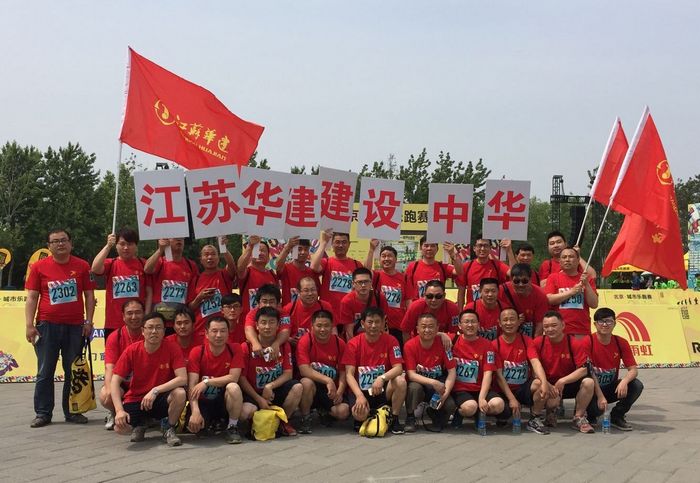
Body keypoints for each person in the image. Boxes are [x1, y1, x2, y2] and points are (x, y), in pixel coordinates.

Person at [25, 228, 96, 428]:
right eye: (55, 241)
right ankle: (43, 413)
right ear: (49, 246)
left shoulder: (82, 266)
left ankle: (73, 411)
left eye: (64, 240)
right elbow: (32, 297)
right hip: (47, 326)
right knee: (45, 371)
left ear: (71, 243)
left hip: (75, 327)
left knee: (73, 371)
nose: (60, 244)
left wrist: (89, 322)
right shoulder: (38, 267)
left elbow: (89, 295)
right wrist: (29, 325)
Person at [111, 312, 187, 446]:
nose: (154, 331)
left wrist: (155, 390)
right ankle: (140, 424)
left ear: (164, 331)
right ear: (143, 331)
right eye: (150, 327)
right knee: (120, 428)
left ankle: (168, 427)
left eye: (158, 327)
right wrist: (119, 411)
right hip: (136, 399)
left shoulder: (172, 348)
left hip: (161, 397)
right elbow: (115, 380)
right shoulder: (132, 350)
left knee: (180, 393)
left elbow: (182, 378)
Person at [342, 307, 407, 435]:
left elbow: (398, 368)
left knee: (400, 381)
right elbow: (349, 375)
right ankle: (371, 413)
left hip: (382, 390)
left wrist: (382, 378)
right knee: (359, 415)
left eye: (377, 322)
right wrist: (359, 396)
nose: (373, 326)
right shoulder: (353, 344)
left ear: (383, 323)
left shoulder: (391, 341)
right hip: (361, 391)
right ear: (362, 323)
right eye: (370, 322)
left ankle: (394, 418)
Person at [238, 307, 302, 437]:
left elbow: (288, 374)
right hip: (253, 393)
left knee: (297, 387)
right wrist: (259, 399)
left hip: (274, 391)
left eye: (272, 322)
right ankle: (257, 424)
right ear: (256, 325)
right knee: (244, 412)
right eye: (263, 322)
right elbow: (242, 378)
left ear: (278, 326)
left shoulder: (284, 346)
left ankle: (283, 422)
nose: (267, 327)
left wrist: (270, 386)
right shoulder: (246, 347)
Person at [532, 311, 596, 433]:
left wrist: (563, 381)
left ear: (563, 325)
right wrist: (547, 384)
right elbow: (534, 370)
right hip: (549, 384)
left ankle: (579, 417)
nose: (550, 329)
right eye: (546, 326)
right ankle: (550, 412)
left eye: (554, 325)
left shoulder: (574, 342)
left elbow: (584, 369)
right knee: (539, 386)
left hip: (568, 383)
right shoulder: (538, 343)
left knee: (589, 382)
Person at [490, 307, 551, 435]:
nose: (509, 323)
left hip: (522, 388)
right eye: (505, 320)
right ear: (499, 323)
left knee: (539, 384)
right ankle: (503, 416)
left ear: (519, 322)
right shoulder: (495, 345)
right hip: (503, 390)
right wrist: (512, 399)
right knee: (500, 409)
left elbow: (535, 362)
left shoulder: (526, 341)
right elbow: (499, 376)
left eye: (512, 319)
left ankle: (534, 418)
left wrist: (544, 382)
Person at [187, 316, 246, 444]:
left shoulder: (235, 349)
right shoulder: (197, 352)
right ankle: (212, 423)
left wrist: (207, 382)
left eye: (223, 331)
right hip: (203, 401)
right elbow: (192, 385)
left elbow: (234, 377)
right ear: (206, 334)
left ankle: (232, 427)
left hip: (223, 400)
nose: (219, 335)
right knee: (196, 428)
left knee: (233, 387)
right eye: (214, 331)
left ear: (228, 333)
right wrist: (195, 411)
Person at [585, 308, 644, 431]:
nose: (605, 324)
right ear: (595, 324)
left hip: (610, 388)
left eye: (609, 321)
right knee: (596, 409)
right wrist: (600, 396)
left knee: (636, 385)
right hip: (592, 389)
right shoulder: (587, 341)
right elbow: (588, 371)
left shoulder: (621, 342)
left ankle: (617, 415)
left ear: (614, 323)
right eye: (601, 321)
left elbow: (633, 369)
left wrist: (624, 381)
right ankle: (590, 416)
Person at [450, 309, 507, 430]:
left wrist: (481, 397)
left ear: (479, 325)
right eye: (466, 322)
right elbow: (432, 333)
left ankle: (479, 413)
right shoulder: (453, 340)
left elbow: (488, 373)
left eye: (473, 322)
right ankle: (459, 413)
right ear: (459, 325)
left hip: (481, 388)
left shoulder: (487, 345)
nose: (470, 325)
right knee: (470, 407)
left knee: (498, 405)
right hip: (460, 389)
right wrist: (441, 335)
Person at [91, 228, 151, 340]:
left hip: (138, 323)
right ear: (116, 245)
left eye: (130, 244)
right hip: (113, 323)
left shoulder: (144, 264)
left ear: (136, 246)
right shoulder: (111, 263)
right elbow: (95, 268)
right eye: (122, 244)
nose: (126, 248)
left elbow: (149, 292)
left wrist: (146, 316)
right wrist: (108, 246)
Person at [297, 310, 350, 433]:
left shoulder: (339, 343)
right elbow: (304, 370)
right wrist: (328, 380)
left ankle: (325, 411)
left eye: (326, 326)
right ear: (312, 326)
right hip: (312, 387)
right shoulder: (305, 341)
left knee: (343, 412)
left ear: (332, 327)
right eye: (319, 326)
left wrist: (340, 391)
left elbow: (343, 372)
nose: (323, 329)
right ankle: (305, 417)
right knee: (306, 383)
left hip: (331, 390)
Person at [403, 313, 457, 432]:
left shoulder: (444, 343)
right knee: (413, 388)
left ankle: (434, 413)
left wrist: (445, 393)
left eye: (431, 326)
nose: (427, 330)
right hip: (420, 384)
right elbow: (411, 375)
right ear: (417, 329)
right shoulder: (409, 345)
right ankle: (410, 417)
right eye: (423, 326)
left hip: (438, 385)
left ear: (437, 329)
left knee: (450, 405)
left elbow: (452, 372)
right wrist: (433, 382)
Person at [100, 299, 145, 431]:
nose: (134, 317)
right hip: (122, 383)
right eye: (130, 313)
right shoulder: (115, 336)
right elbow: (110, 367)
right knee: (105, 395)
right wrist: (110, 389)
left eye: (138, 313)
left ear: (144, 314)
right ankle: (115, 412)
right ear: (123, 316)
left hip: (144, 384)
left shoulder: (150, 334)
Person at [144, 238, 198, 334]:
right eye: (175, 237)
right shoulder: (160, 262)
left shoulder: (191, 265)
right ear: (168, 240)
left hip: (181, 323)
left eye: (181, 238)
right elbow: (147, 269)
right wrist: (160, 249)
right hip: (160, 322)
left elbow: (192, 296)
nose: (179, 240)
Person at [188, 241, 236, 343]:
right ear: (201, 260)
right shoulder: (195, 280)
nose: (210, 257)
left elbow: (232, 265)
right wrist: (199, 298)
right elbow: (190, 307)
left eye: (213, 254)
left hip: (222, 329)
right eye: (206, 255)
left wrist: (223, 247)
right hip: (201, 330)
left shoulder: (224, 275)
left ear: (218, 258)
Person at [545, 247, 599, 337]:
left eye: (571, 256)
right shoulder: (553, 277)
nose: (567, 259)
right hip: (558, 331)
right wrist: (571, 292)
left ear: (578, 260)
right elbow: (549, 299)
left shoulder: (587, 279)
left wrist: (586, 284)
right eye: (564, 257)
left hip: (581, 330)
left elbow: (594, 304)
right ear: (560, 261)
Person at [365, 240, 409, 344]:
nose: (386, 259)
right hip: (378, 326)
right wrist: (371, 249)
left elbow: (408, 302)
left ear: (396, 259)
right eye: (383, 256)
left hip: (398, 326)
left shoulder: (404, 278)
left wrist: (407, 324)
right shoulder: (376, 276)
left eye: (389, 256)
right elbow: (366, 270)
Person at [311, 230, 364, 309]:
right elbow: (314, 267)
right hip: (328, 312)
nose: (340, 245)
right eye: (337, 242)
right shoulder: (326, 262)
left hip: (348, 311)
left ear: (349, 244)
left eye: (344, 242)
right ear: (332, 244)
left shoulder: (357, 265)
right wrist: (323, 243)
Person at [457, 235, 510, 308]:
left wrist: (509, 250)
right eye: (480, 245)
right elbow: (461, 291)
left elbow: (513, 273)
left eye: (486, 246)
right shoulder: (466, 266)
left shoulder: (498, 265)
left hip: (493, 309)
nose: (482, 248)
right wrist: (460, 312)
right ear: (474, 248)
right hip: (473, 310)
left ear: (490, 248)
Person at [405, 235, 462, 301]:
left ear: (437, 249)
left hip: (438, 306)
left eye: (432, 246)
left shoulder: (443, 266)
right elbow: (408, 292)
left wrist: (452, 254)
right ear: (420, 248)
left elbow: (459, 271)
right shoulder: (412, 267)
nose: (429, 248)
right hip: (418, 306)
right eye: (426, 246)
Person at [498, 263, 549, 337]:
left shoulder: (540, 295)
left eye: (524, 281)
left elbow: (540, 324)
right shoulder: (501, 291)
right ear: (511, 280)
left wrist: (534, 343)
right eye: (516, 281)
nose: (520, 284)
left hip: (529, 336)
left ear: (530, 280)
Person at [243, 284, 291, 360]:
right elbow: (248, 329)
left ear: (278, 304)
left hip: (278, 348)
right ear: (258, 303)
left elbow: (285, 331)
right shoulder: (252, 313)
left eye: (271, 302)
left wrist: (276, 344)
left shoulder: (283, 314)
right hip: (257, 348)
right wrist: (255, 343)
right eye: (264, 301)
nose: (268, 305)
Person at [236, 236, 278, 317]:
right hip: (248, 321)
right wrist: (250, 246)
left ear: (268, 256)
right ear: (250, 255)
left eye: (263, 251)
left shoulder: (272, 274)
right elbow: (240, 267)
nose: (260, 253)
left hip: (268, 321)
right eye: (257, 250)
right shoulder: (246, 272)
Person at [284, 276, 335, 342]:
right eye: (306, 290)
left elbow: (333, 330)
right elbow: (281, 332)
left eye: (313, 290)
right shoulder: (289, 309)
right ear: (298, 292)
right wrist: (289, 339)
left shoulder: (325, 307)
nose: (310, 293)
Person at [275, 237, 320, 305]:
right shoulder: (285, 268)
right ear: (292, 251)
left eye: (306, 249)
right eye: (299, 249)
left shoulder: (312, 272)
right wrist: (287, 247)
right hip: (288, 310)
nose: (303, 252)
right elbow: (277, 266)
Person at [339, 267, 379, 340]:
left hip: (375, 338)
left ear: (371, 283)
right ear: (353, 284)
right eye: (360, 282)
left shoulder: (379, 297)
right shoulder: (346, 302)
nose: (363, 285)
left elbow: (384, 325)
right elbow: (349, 332)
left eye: (366, 281)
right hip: (356, 340)